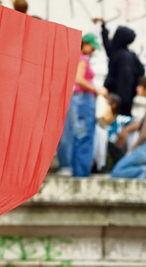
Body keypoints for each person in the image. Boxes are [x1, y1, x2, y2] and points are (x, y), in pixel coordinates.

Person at [56, 33, 106, 178]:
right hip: (83, 100)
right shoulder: (82, 59)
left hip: (75, 99)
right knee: (84, 136)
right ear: (85, 44)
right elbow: (79, 79)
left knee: (72, 133)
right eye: (92, 47)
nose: (93, 51)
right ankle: (81, 173)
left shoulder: (74, 58)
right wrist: (96, 90)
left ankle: (68, 167)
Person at [111, 78, 146, 179]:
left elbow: (145, 133)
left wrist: (132, 149)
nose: (137, 88)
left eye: (140, 86)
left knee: (117, 171)